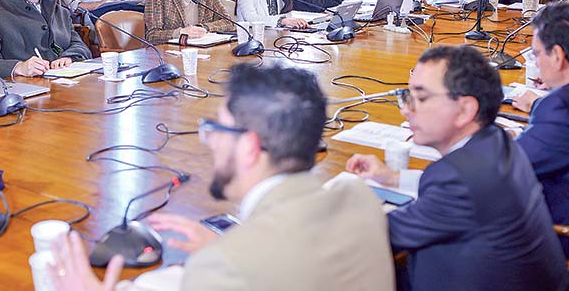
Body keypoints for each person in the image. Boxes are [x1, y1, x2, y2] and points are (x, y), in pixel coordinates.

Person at [51, 64, 395, 291]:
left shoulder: (223, 269)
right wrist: (231, 245)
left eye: (215, 129)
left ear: (248, 147)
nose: (209, 141)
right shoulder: (359, 197)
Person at [346, 45, 566, 291]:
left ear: (464, 110)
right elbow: (466, 193)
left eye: (420, 98)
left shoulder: (455, 179)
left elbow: (380, 236)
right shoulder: (496, 139)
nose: (405, 109)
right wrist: (395, 178)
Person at [510, 2, 569, 257]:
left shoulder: (559, 109)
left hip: (550, 238)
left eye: (536, 54)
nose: (535, 62)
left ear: (557, 56)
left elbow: (505, 167)